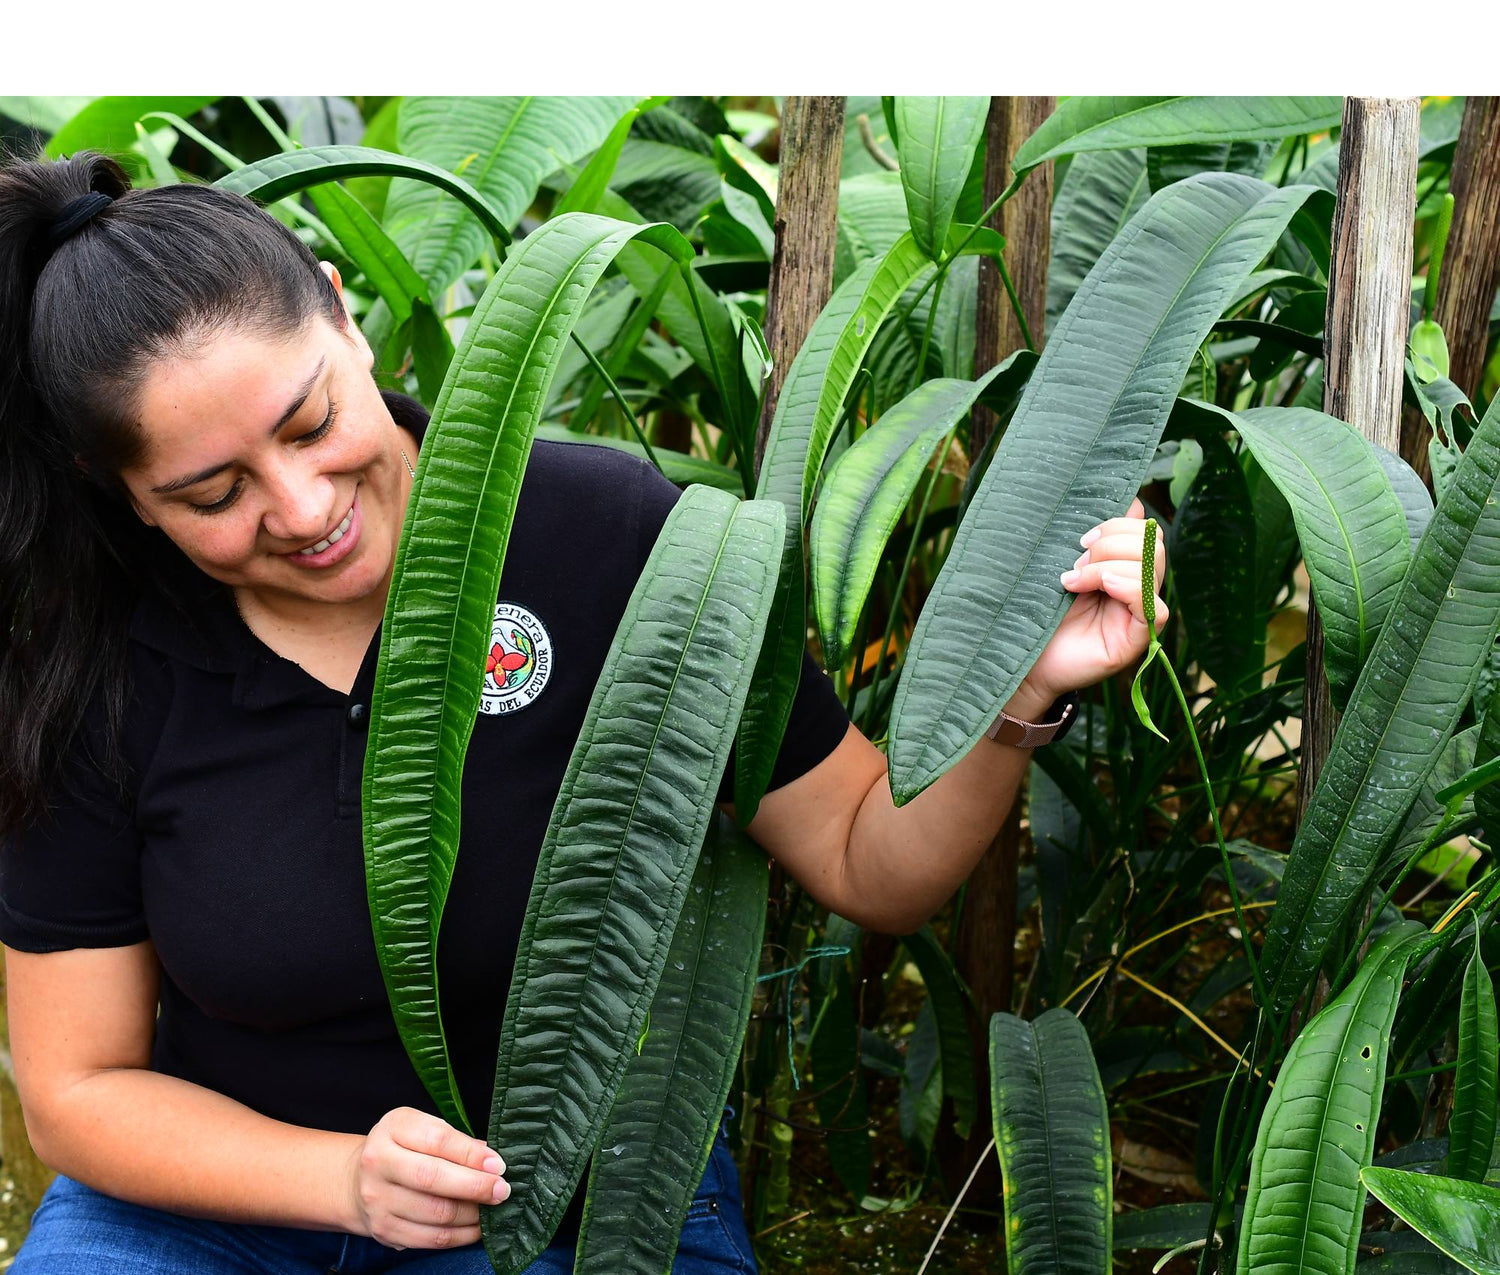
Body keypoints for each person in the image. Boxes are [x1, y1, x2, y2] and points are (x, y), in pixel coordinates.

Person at [0, 148, 1167, 1274]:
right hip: (217, 1206)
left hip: (573, 1195)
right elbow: (77, 1088)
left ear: (345, 320)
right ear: (127, 497)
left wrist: (1023, 681)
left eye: (309, 424)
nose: (302, 509)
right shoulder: (91, 654)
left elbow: (874, 864)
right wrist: (344, 1178)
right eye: (213, 493)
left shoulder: (608, 538)